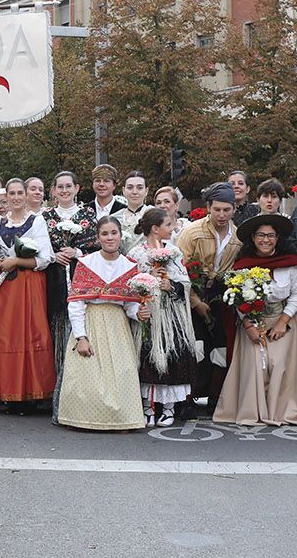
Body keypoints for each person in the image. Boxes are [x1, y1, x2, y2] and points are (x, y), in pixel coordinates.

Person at [213, 212, 297, 426]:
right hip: (252, 322)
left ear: (277, 238)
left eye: (271, 235)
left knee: (278, 363)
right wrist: (248, 325)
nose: (266, 240)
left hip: (284, 320)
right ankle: (252, 410)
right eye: (261, 235)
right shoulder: (243, 266)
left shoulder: (291, 264)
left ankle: (280, 410)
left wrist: (283, 321)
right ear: (253, 238)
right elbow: (237, 298)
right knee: (257, 366)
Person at [55, 216, 149, 431]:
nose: (109, 238)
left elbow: (129, 305)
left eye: (113, 233)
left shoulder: (129, 266)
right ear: (98, 238)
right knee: (87, 372)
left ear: (120, 235)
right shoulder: (86, 263)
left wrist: (139, 313)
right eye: (104, 234)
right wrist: (81, 337)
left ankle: (121, 420)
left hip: (117, 325)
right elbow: (76, 304)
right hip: (92, 321)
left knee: (122, 372)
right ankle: (83, 419)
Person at [0, 178, 55, 413]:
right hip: (3, 287)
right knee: (5, 335)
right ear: (6, 196)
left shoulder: (37, 220)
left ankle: (31, 393)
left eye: (20, 192)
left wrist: (17, 261)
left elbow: (44, 258)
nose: (17, 197)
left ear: (26, 195)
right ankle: (8, 392)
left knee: (29, 332)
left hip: (28, 284)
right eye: (12, 193)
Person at [177, 184, 244, 415]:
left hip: (222, 296)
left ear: (235, 209)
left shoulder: (238, 237)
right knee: (195, 347)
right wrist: (196, 302)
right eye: (217, 210)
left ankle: (216, 396)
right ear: (208, 208)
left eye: (227, 210)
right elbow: (179, 270)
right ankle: (188, 398)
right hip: (192, 294)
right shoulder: (192, 232)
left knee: (221, 348)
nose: (222, 215)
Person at [132, 208, 201, 426]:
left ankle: (168, 408)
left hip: (171, 316)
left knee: (171, 356)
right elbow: (129, 284)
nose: (173, 229)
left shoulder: (174, 251)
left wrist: (170, 285)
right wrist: (148, 280)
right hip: (148, 314)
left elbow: (186, 282)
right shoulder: (135, 253)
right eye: (168, 225)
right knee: (147, 358)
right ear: (155, 229)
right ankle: (147, 407)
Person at [43, 171, 99, 354]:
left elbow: (98, 246)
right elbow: (40, 247)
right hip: (55, 278)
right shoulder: (46, 217)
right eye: (60, 187)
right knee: (58, 326)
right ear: (54, 190)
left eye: (68, 186)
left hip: (81, 277)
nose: (64, 190)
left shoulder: (88, 214)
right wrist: (53, 256)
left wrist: (77, 252)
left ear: (77, 188)